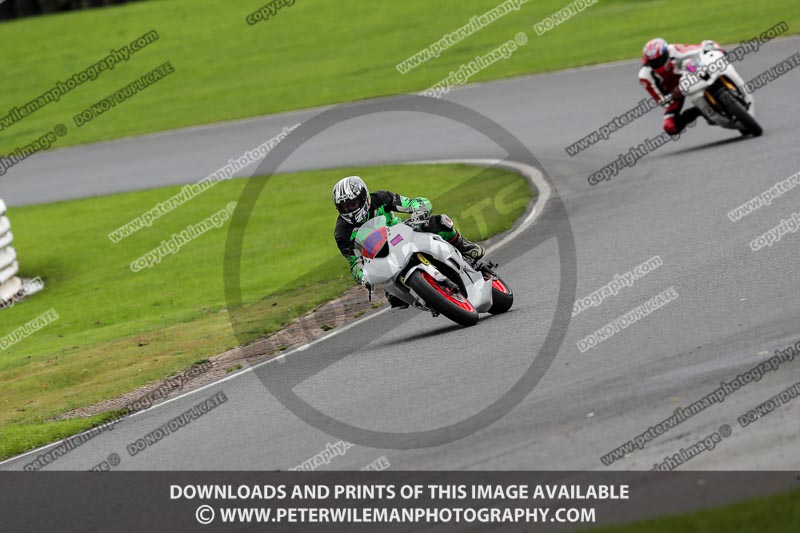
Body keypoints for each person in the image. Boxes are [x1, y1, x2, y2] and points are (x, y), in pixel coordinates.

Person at [332, 175, 484, 308]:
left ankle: (463, 246)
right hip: (382, 257)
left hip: (402, 233)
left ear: (364, 197)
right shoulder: (342, 233)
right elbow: (354, 262)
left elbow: (413, 203)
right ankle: (424, 296)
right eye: (344, 207)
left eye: (353, 204)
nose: (349, 210)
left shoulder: (381, 198)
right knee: (395, 299)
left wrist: (419, 212)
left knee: (440, 222)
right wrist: (363, 277)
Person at [639, 37, 725, 135]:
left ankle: (722, 85)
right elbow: (662, 101)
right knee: (670, 127)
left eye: (660, 60)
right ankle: (700, 110)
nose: (658, 64)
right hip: (674, 93)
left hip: (688, 72)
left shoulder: (674, 49)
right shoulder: (645, 76)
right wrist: (673, 95)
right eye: (654, 62)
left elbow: (697, 48)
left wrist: (717, 49)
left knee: (695, 66)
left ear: (666, 53)